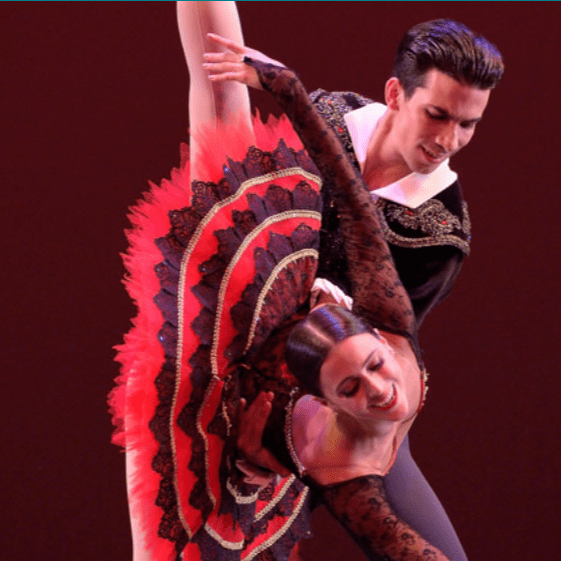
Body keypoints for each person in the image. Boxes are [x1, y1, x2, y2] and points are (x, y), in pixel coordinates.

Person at [109, 3, 503, 560]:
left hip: (339, 405)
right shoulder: (332, 116)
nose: (450, 139)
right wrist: (286, 92)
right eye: (438, 115)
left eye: (468, 124)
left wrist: (334, 315)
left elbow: (378, 347)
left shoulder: (438, 233)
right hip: (248, 336)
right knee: (224, 114)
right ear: (395, 94)